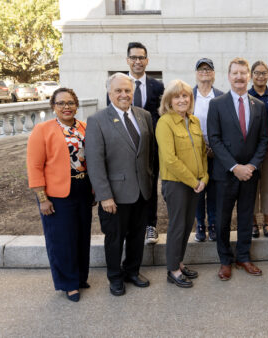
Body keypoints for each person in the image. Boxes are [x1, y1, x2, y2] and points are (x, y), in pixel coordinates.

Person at [86, 73, 155, 296]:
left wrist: (151, 182)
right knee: (115, 239)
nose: (124, 95)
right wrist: (105, 196)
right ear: (109, 93)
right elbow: (95, 162)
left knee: (136, 236)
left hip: (142, 191)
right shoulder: (97, 121)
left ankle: (132, 271)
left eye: (127, 90)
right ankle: (115, 277)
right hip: (114, 196)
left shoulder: (144, 116)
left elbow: (149, 154)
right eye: (118, 91)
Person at [26, 88, 93, 302]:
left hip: (83, 190)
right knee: (62, 240)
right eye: (61, 103)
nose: (67, 107)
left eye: (71, 103)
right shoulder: (42, 130)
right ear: (53, 106)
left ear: (77, 105)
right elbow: (34, 166)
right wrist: (42, 199)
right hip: (57, 195)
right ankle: (68, 283)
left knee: (82, 236)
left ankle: (81, 277)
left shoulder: (85, 128)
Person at [207, 57, 268, 281]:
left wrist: (251, 166)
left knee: (245, 217)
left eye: (243, 73)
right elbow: (214, 139)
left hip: (250, 174)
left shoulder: (259, 106)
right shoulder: (217, 104)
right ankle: (225, 260)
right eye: (235, 73)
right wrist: (234, 167)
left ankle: (243, 256)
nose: (240, 77)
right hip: (225, 174)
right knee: (223, 219)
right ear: (229, 76)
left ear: (249, 76)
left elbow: (264, 140)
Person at [156, 79, 209, 288]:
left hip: (196, 183)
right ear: (169, 100)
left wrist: (204, 178)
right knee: (177, 226)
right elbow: (169, 158)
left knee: (188, 225)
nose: (181, 100)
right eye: (177, 96)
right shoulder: (165, 122)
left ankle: (179, 261)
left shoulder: (194, 121)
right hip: (176, 183)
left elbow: (203, 153)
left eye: (185, 96)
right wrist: (193, 181)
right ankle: (173, 270)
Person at [122, 42, 165, 245]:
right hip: (127, 147)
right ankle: (131, 225)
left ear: (147, 60)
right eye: (134, 57)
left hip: (151, 148)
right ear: (127, 60)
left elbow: (162, 115)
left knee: (149, 186)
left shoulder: (157, 86)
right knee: (128, 185)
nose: (137, 61)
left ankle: (150, 225)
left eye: (141, 57)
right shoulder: (118, 85)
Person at [192, 58, 224, 242]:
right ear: (196, 73)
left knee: (213, 189)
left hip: (215, 152)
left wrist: (214, 147)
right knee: (198, 189)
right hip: (195, 152)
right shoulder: (189, 95)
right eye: (201, 69)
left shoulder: (220, 95)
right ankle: (200, 225)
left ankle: (212, 224)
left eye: (208, 69)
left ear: (213, 73)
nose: (205, 72)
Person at [248, 60, 268, 239]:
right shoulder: (246, 94)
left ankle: (267, 221)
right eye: (257, 73)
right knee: (252, 187)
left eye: (264, 73)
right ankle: (253, 223)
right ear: (251, 75)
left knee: (267, 187)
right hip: (250, 151)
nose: (260, 76)